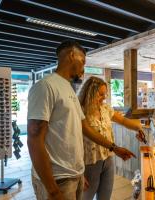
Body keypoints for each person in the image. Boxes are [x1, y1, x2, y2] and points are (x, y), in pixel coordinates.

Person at [27, 41, 135, 200]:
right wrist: (52, 190)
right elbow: (34, 139)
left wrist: (114, 148)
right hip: (58, 179)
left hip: (75, 175)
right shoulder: (46, 86)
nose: (84, 67)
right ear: (72, 56)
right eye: (83, 61)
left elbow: (85, 128)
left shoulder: (68, 89)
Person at [78, 76, 145, 200]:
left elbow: (124, 120)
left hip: (108, 160)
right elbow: (74, 143)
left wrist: (138, 128)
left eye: (105, 94)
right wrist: (79, 172)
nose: (104, 98)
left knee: (105, 197)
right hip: (89, 163)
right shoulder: (79, 111)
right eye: (101, 94)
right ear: (89, 94)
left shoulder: (105, 109)